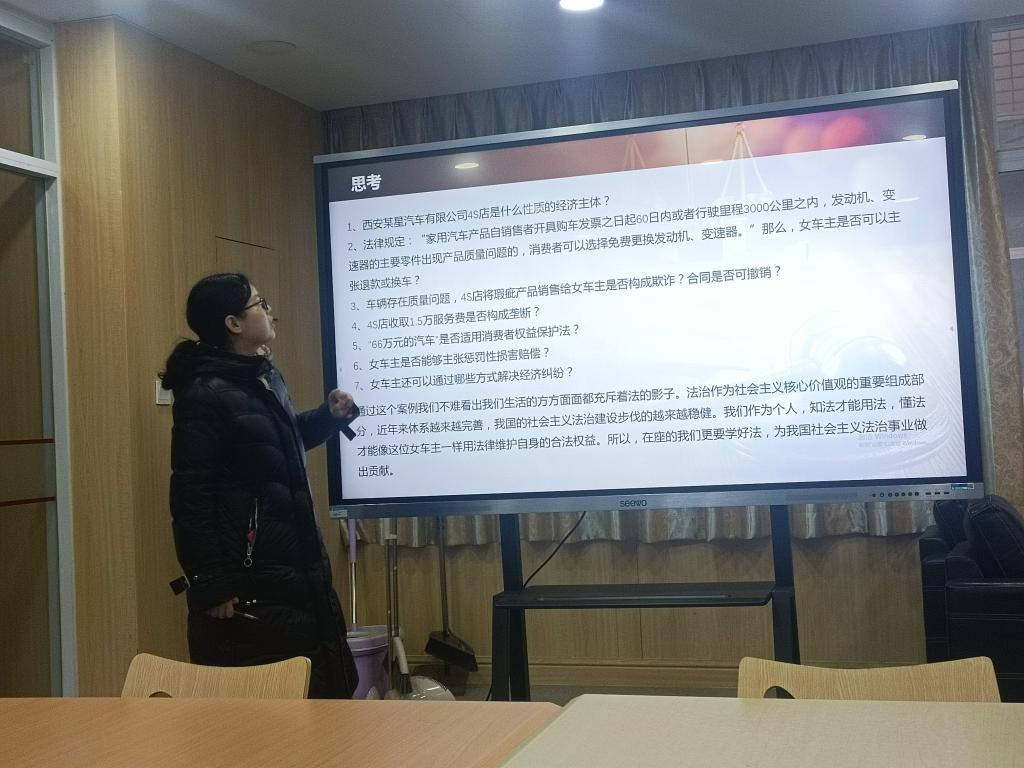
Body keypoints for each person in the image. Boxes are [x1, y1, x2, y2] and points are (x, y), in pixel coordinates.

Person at [161, 272, 359, 698]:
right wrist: (211, 584)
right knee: (269, 706)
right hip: (250, 582)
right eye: (259, 303)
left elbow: (277, 446)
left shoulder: (264, 377)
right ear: (233, 324)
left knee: (316, 693)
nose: (270, 311)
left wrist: (327, 418)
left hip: (292, 563)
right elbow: (191, 496)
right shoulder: (204, 393)